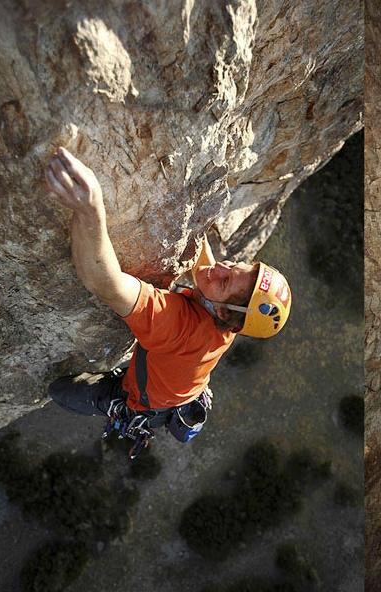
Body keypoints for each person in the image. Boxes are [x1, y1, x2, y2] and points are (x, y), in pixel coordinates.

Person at [44, 147, 292, 457]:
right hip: (179, 388)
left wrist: (89, 208)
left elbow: (103, 282)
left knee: (58, 391)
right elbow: (208, 267)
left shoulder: (177, 325)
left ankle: (115, 401)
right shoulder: (231, 320)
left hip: (145, 400)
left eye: (226, 281)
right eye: (235, 264)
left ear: (225, 313)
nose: (221, 267)